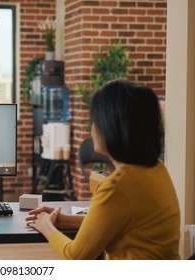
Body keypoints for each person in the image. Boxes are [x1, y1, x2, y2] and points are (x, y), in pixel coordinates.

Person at [26, 79, 180, 260]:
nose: (92, 129)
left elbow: (75, 255)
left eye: (95, 121)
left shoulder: (118, 188)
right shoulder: (156, 169)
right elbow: (113, 222)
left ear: (111, 128)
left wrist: (46, 227)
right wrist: (63, 220)